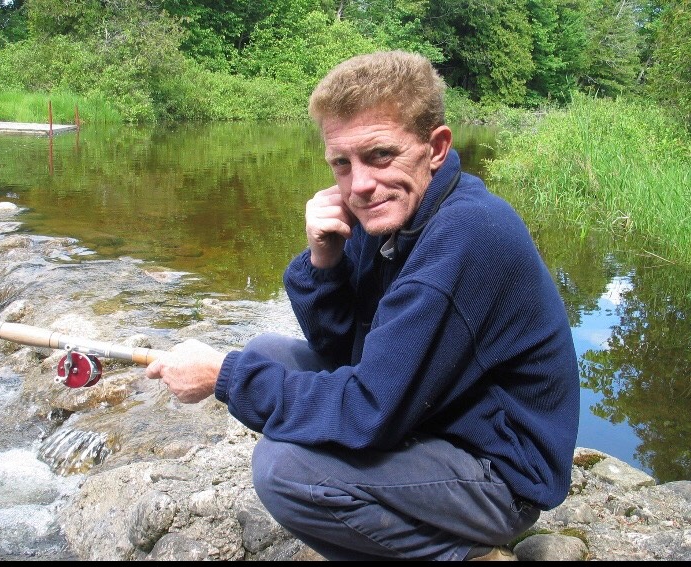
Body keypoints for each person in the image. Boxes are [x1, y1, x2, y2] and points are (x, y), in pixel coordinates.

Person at [145, 50, 580, 561]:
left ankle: (462, 555)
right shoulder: (395, 215)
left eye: (380, 155)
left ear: (437, 148)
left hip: (499, 471)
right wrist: (324, 261)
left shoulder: (467, 234)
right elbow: (342, 351)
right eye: (341, 164)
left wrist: (222, 376)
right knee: (265, 351)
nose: (360, 186)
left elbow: (369, 411)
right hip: (435, 417)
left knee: (284, 471)